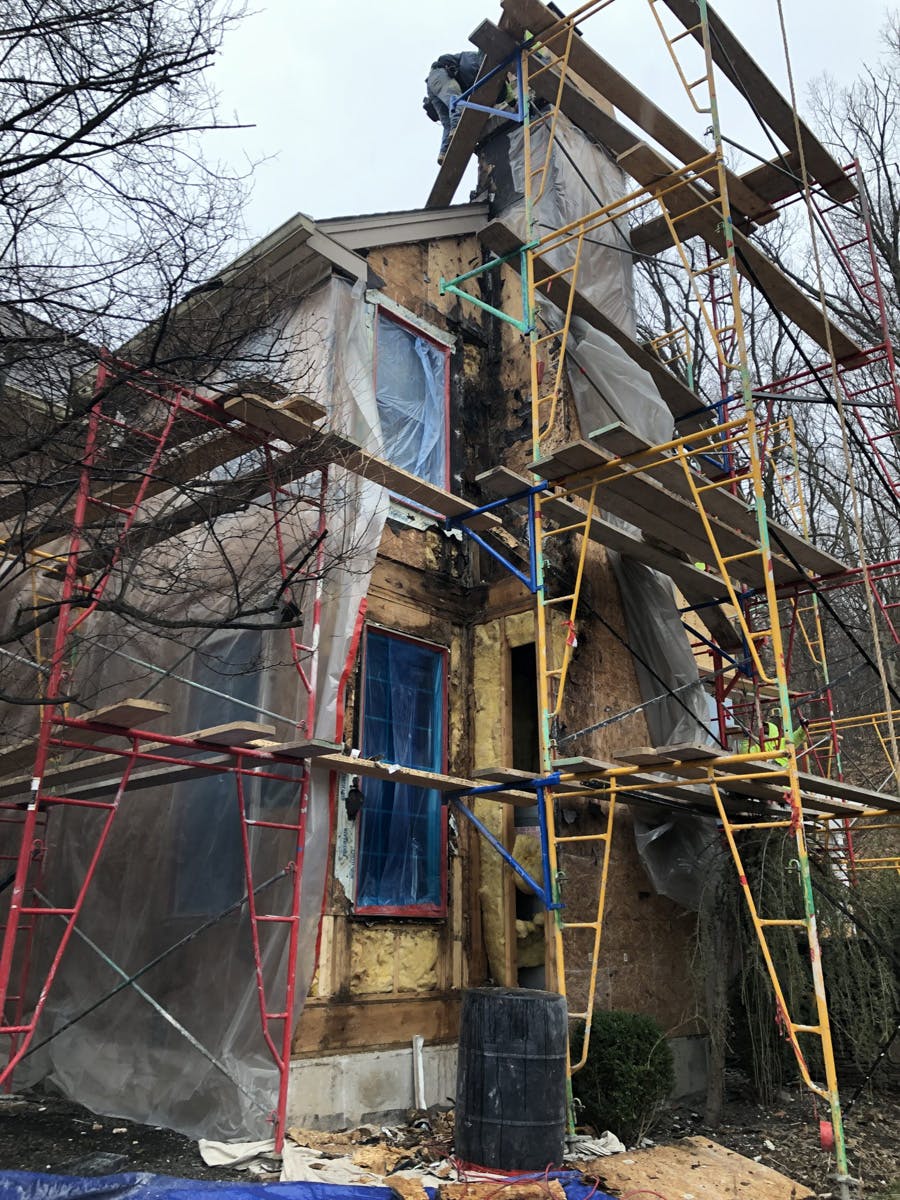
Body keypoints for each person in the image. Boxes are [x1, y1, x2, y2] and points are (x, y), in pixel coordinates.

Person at [424, 51, 484, 164]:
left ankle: (444, 152)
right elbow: (469, 72)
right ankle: (456, 127)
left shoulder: (468, 58)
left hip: (433, 83)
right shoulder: (473, 58)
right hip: (440, 75)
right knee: (457, 100)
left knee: (447, 123)